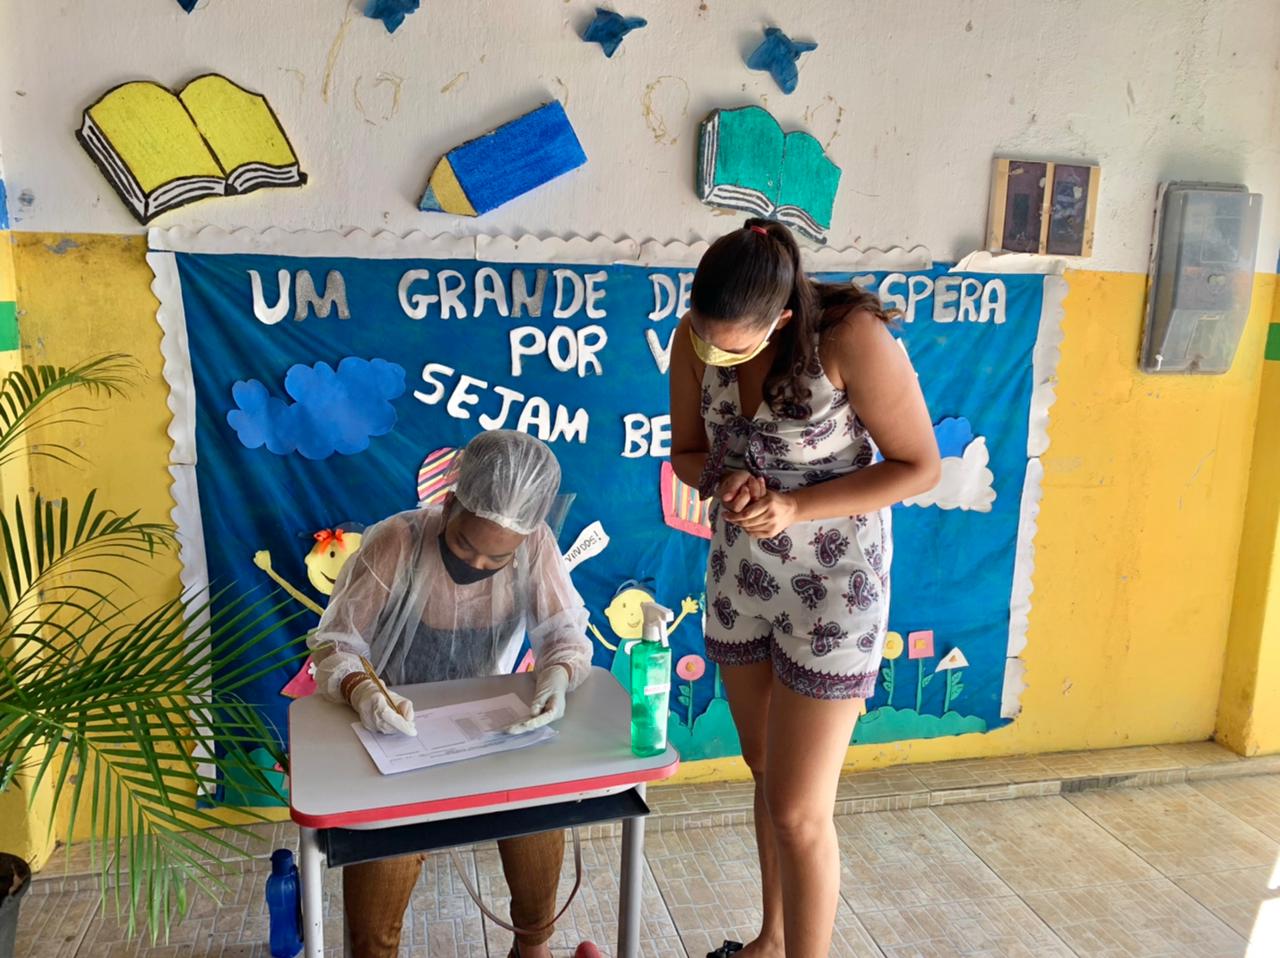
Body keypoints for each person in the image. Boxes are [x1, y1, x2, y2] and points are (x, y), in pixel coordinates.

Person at [668, 220, 940, 958]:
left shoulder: (848, 338)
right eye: (705, 338)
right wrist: (726, 479)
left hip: (835, 591)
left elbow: (919, 466)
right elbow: (687, 452)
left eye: (733, 347)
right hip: (742, 578)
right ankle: (771, 940)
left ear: (783, 318)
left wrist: (793, 507)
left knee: (798, 811)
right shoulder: (694, 338)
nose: (714, 354)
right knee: (765, 773)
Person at [307, 430, 599, 958]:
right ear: (448, 505)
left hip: (486, 732)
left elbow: (564, 633)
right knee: (378, 904)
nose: (478, 566)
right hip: (395, 733)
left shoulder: (535, 545)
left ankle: (533, 947)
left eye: (497, 559)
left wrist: (558, 675)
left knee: (541, 821)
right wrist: (363, 691)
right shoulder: (397, 542)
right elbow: (336, 644)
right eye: (465, 546)